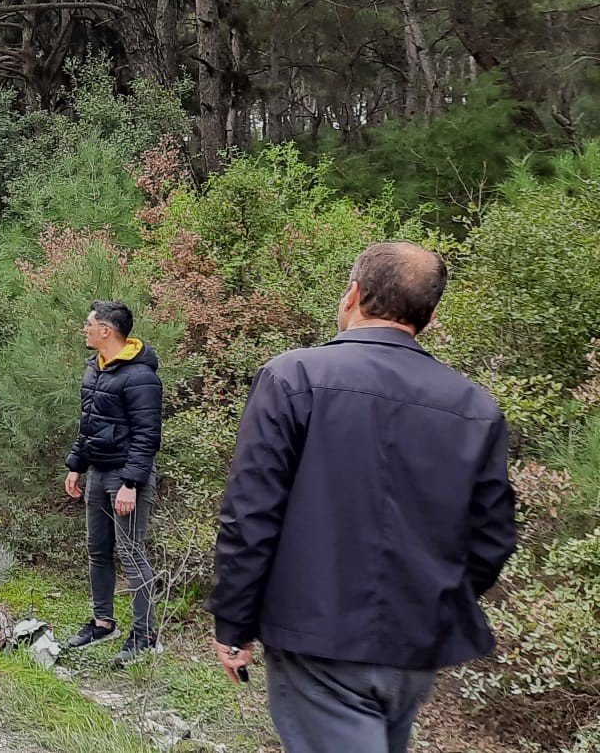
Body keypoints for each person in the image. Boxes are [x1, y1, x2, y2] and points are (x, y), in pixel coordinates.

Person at [209, 242, 516, 753]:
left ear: (352, 295)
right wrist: (433, 602)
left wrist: (234, 621)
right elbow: (492, 538)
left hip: (318, 644)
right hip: (414, 647)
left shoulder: (294, 377)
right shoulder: (474, 406)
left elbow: (251, 515)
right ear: (431, 316)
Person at [61, 300, 164, 667]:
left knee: (132, 554)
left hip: (125, 477)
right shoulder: (95, 370)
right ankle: (103, 623)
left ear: (107, 330)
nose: (84, 328)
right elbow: (90, 424)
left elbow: (147, 436)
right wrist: (76, 465)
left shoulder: (141, 377)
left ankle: (146, 636)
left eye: (89, 323)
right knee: (98, 551)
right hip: (98, 473)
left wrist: (131, 484)